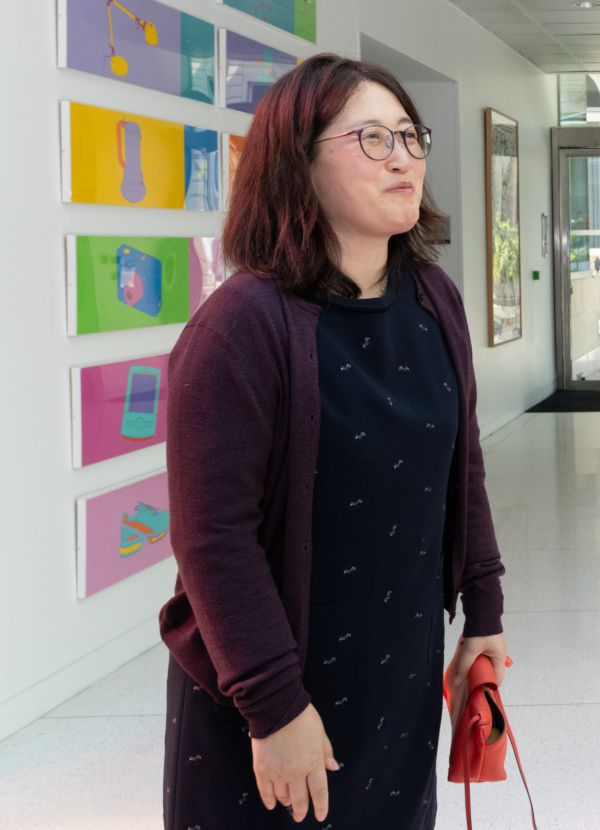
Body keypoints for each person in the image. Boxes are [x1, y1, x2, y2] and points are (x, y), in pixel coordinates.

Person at [159, 54, 507, 828]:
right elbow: (212, 538)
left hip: (396, 666)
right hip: (271, 688)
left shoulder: (432, 299)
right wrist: (276, 708)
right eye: (372, 138)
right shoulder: (241, 327)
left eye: (411, 138)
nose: (404, 158)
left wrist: (483, 609)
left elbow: (463, 465)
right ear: (297, 162)